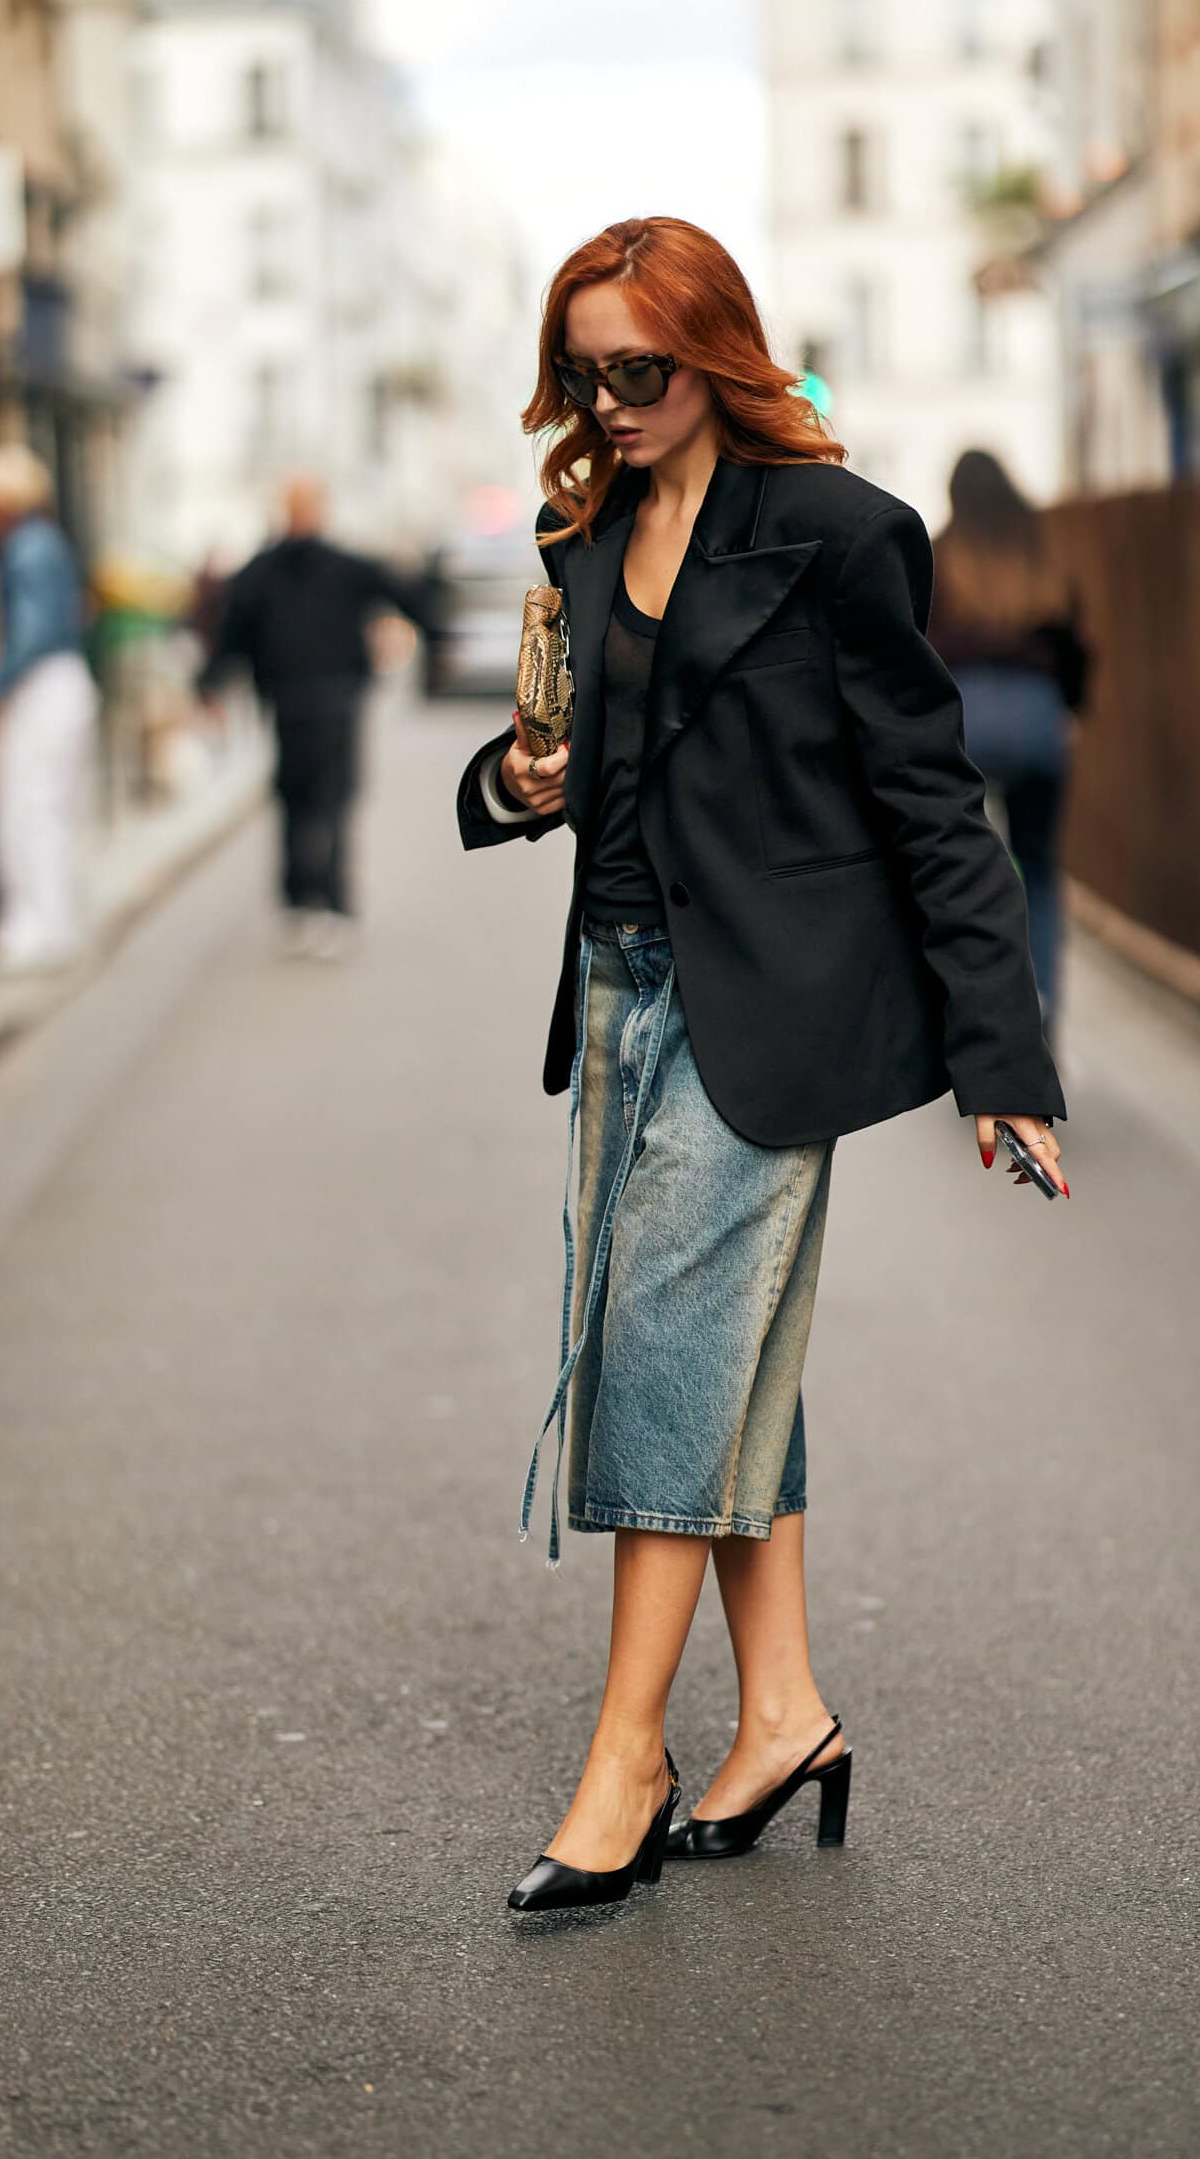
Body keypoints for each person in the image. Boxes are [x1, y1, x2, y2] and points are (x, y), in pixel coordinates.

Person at [456, 217, 1067, 1917]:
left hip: (767, 1011)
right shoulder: (584, 526)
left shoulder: (837, 534)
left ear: (716, 352)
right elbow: (569, 765)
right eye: (582, 372)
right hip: (617, 993)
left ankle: (624, 1758)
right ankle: (785, 1713)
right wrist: (516, 780)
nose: (608, 400)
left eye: (637, 369)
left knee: (664, 1356)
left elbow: (933, 802)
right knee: (723, 1360)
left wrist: (1001, 1058)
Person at [199, 476, 443, 959]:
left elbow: (231, 634)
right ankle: (316, 904)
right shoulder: (312, 568)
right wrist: (210, 685)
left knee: (312, 804)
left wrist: (210, 683)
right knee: (315, 803)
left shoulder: (273, 570)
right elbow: (232, 634)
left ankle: (316, 904)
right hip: (311, 702)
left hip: (318, 702)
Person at [927, 449, 1090, 1044]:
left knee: (957, 871)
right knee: (1039, 869)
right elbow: (1074, 646)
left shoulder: (941, 555)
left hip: (965, 719)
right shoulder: (1042, 553)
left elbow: (920, 645)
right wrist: (1069, 711)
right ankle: (1041, 1006)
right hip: (1035, 716)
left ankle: (972, 1013)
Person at [0, 445, 95, 976]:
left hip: (43, 688)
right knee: (47, 807)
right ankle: (51, 921)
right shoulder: (46, 543)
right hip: (58, 683)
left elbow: (33, 629)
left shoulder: (28, 548)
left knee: (30, 807)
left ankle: (41, 926)